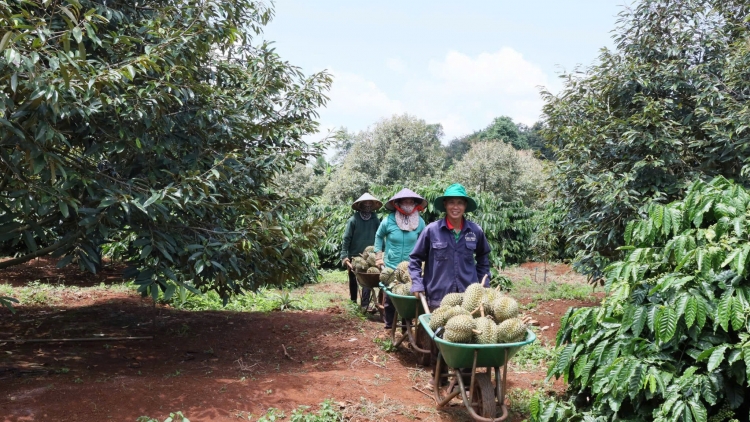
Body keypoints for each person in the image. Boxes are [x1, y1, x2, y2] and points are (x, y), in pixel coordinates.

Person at [409, 183, 491, 309]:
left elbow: (483, 258)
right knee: (438, 329)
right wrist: (417, 283)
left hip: (468, 298)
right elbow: (415, 259)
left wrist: (484, 284)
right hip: (438, 297)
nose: (455, 207)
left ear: (465, 206)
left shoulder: (475, 231)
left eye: (460, 203)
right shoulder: (431, 230)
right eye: (451, 202)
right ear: (445, 204)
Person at [374, 188, 427, 329]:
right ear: (398, 203)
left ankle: (406, 327)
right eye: (405, 201)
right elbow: (379, 236)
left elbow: (425, 241)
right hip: (391, 264)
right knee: (390, 298)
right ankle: (389, 326)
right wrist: (378, 256)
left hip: (411, 267)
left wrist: (426, 260)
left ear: (415, 203)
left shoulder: (420, 222)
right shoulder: (389, 220)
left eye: (411, 201)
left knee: (408, 298)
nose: (408, 203)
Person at [340, 193, 382, 310]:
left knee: (367, 278)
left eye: (370, 204)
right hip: (354, 254)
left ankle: (364, 304)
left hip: (369, 255)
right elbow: (347, 238)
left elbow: (380, 235)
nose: (367, 206)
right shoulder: (353, 220)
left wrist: (381, 252)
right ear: (360, 205)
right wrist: (344, 254)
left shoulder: (375, 220)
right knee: (353, 278)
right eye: (365, 203)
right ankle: (353, 300)